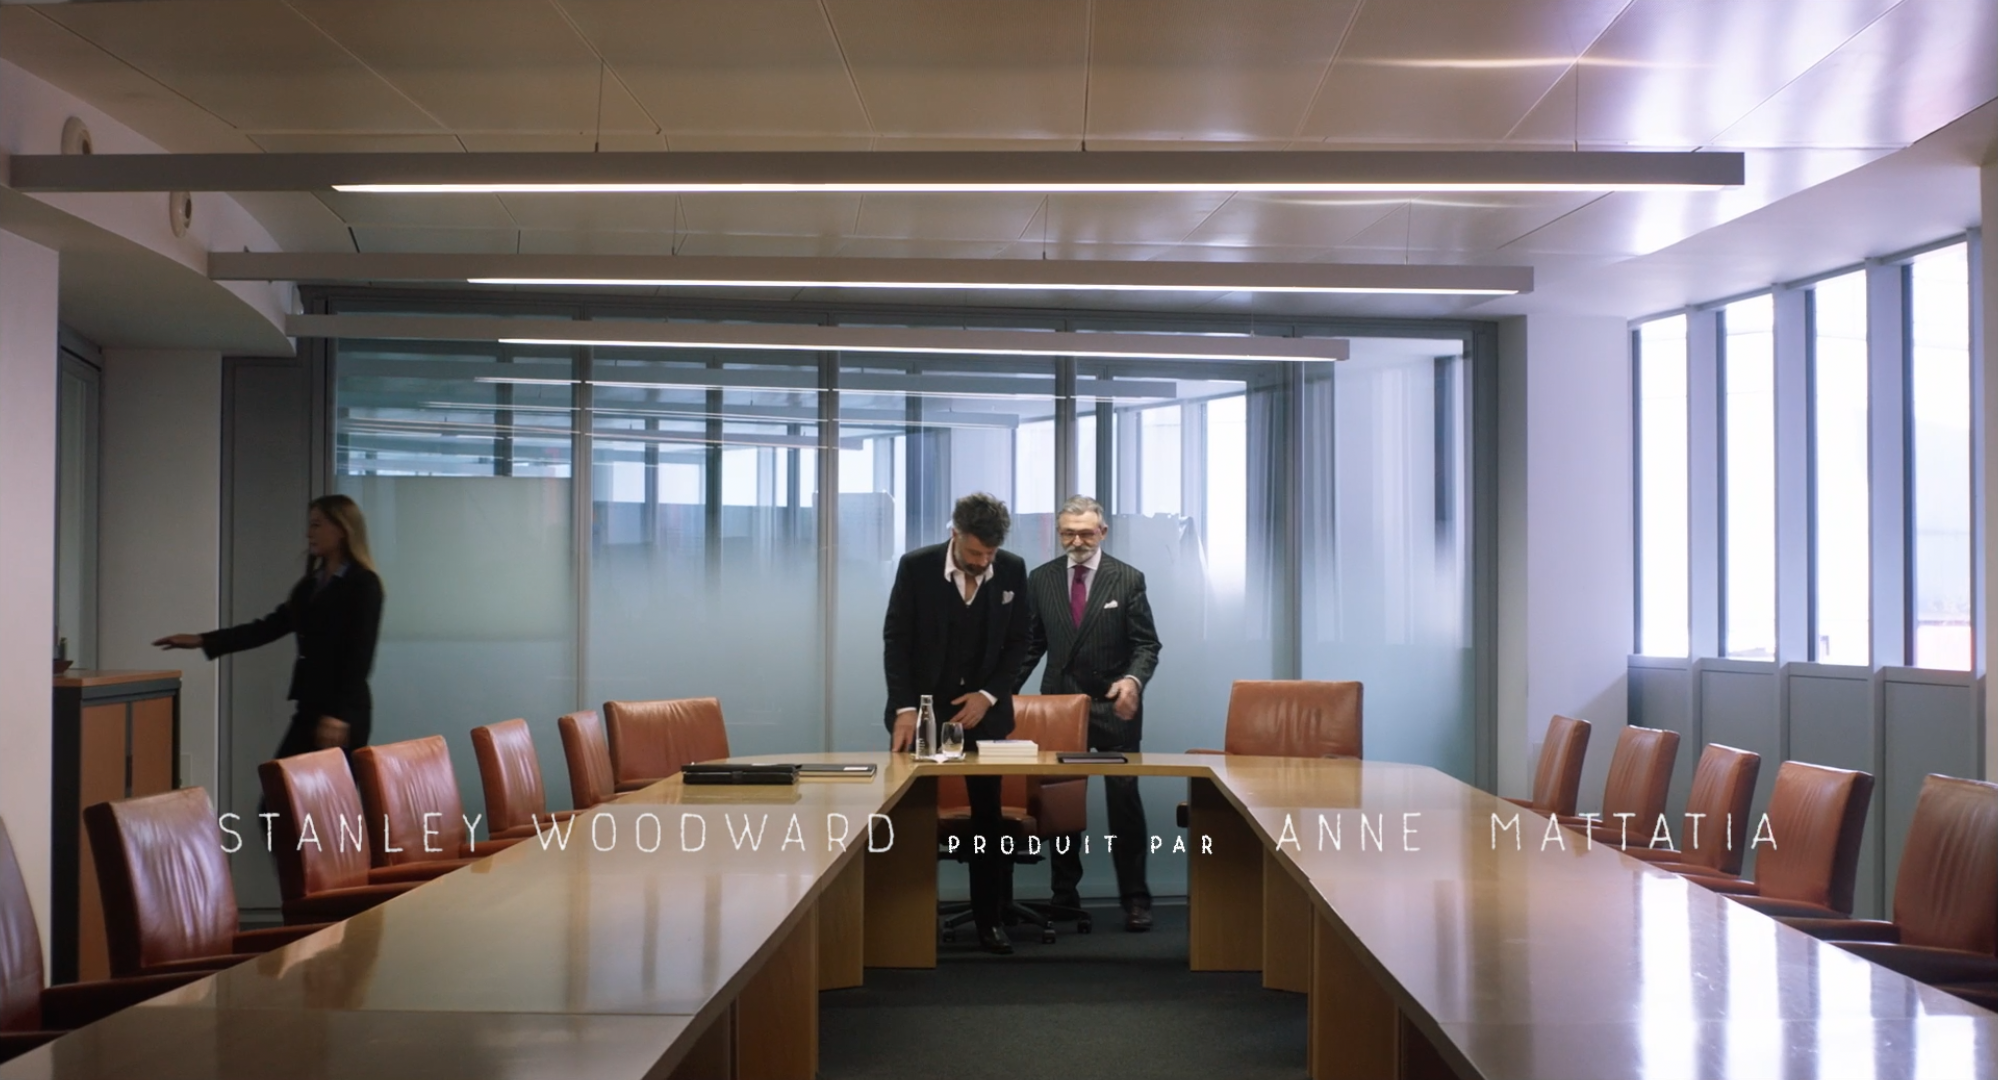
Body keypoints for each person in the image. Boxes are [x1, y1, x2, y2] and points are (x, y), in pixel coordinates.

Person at [882, 492, 1032, 954]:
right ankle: (902, 923)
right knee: (909, 811)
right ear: (955, 534)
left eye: (989, 554)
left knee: (988, 815)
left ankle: (990, 920)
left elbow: (1020, 642)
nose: (983, 562)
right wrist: (904, 708)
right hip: (923, 711)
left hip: (983, 713)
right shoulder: (917, 567)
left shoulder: (1012, 569)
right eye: (974, 553)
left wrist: (989, 696)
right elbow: (896, 640)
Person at [1018, 495, 1162, 932]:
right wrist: (1000, 693)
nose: (1076, 541)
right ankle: (1064, 895)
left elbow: (1146, 645)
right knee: (1061, 801)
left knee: (1124, 802)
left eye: (1085, 533)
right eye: (1068, 533)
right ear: (1059, 532)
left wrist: (1133, 681)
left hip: (1114, 705)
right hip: (1060, 706)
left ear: (1102, 532)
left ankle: (1136, 899)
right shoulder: (1041, 579)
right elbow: (1031, 644)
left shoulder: (1127, 578)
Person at [156, 494, 384, 759]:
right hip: (309, 707)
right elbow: (267, 627)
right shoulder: (310, 586)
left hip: (342, 714)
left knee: (315, 787)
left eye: (316, 525)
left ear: (342, 529)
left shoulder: (363, 584)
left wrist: (338, 715)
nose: (308, 533)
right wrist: (203, 640)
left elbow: (359, 656)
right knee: (281, 783)